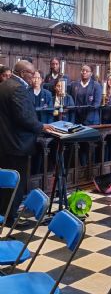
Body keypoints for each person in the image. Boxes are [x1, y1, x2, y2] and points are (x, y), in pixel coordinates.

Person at [0, 60, 54, 225]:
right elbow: (24, 118)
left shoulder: (4, 85)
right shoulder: (18, 88)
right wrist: (41, 126)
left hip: (5, 143)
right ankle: (10, 218)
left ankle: (3, 213)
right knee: (16, 183)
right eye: (32, 73)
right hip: (17, 144)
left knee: (5, 182)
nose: (34, 77)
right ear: (23, 73)